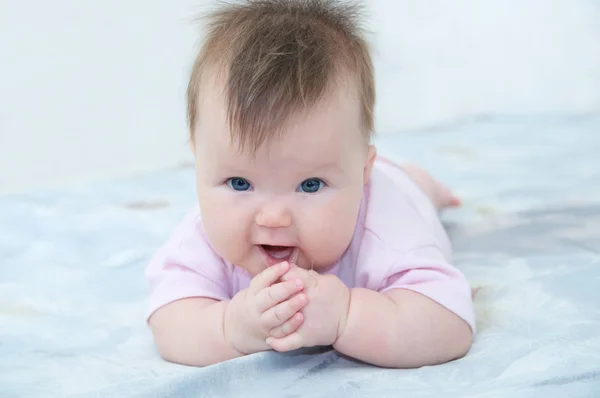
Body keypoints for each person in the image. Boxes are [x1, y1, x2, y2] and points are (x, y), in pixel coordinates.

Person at [145, 0, 475, 368]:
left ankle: (422, 183)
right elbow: (169, 322)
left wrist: (348, 317)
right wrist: (229, 328)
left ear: (361, 175)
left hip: (399, 188)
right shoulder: (201, 237)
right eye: (239, 183)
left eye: (310, 185)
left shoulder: (386, 230)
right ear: (198, 160)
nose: (273, 218)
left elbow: (450, 324)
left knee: (412, 187)